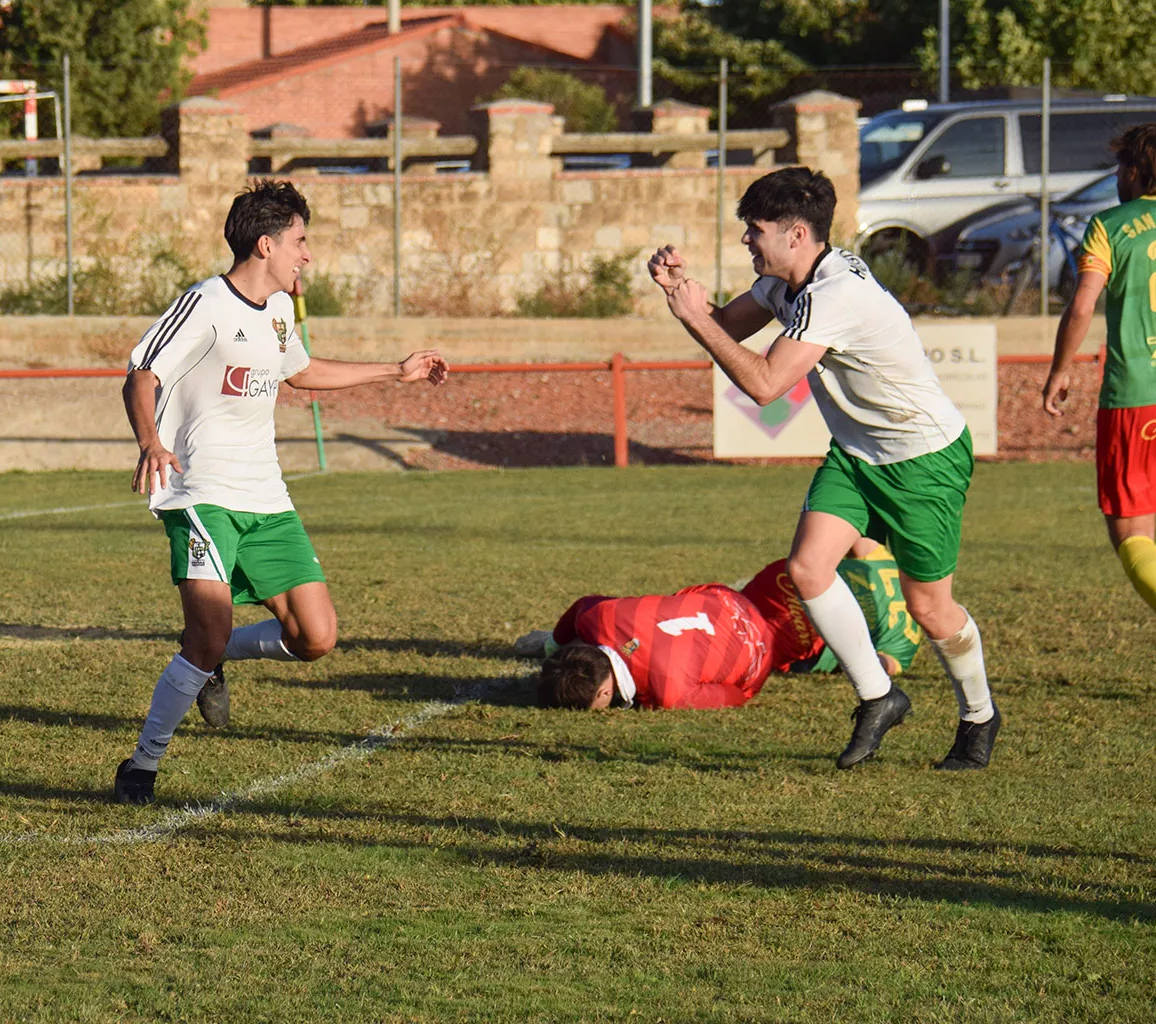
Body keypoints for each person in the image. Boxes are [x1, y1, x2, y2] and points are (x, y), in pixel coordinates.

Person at [647, 166, 1000, 770]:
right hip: (858, 454)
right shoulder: (787, 283)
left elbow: (763, 385)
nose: (745, 241)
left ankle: (979, 717)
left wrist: (694, 319)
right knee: (808, 568)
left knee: (930, 610)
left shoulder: (834, 295)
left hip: (923, 459)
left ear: (796, 234)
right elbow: (726, 327)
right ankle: (879, 696)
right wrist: (685, 294)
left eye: (754, 231)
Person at [115, 180, 448, 805]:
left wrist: (393, 371)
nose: (308, 254)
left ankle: (212, 660)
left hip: (266, 496)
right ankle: (142, 765)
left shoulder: (276, 310)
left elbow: (301, 372)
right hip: (201, 493)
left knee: (316, 637)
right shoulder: (204, 304)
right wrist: (151, 440)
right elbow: (141, 373)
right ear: (265, 244)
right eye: (300, 241)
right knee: (205, 635)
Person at [526, 542, 921, 710]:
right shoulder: (902, 611)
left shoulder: (879, 576)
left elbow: (883, 662)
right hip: (768, 604)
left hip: (763, 606)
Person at [1042, 124, 1156, 615]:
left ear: (1134, 171)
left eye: (1119, 167)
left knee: (1133, 533)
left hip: (1135, 396)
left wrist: (1060, 370)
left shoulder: (1110, 226)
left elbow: (1083, 306)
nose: (1116, 177)